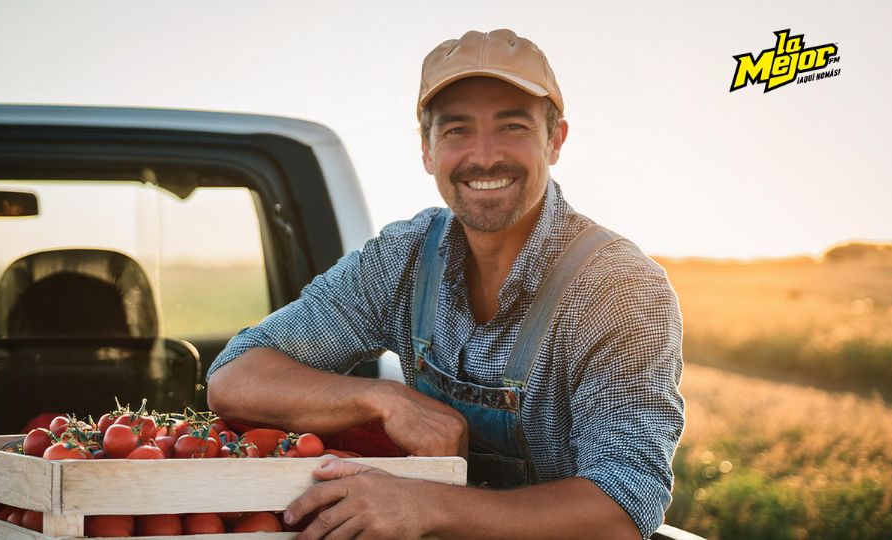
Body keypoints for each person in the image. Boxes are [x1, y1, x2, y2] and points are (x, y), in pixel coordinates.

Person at [207, 28, 685, 540]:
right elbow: (234, 377)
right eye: (457, 130)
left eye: (513, 127)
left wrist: (427, 505)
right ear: (427, 150)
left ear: (555, 141)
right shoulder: (404, 258)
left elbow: (622, 507)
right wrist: (385, 400)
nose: (484, 156)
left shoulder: (619, 289)